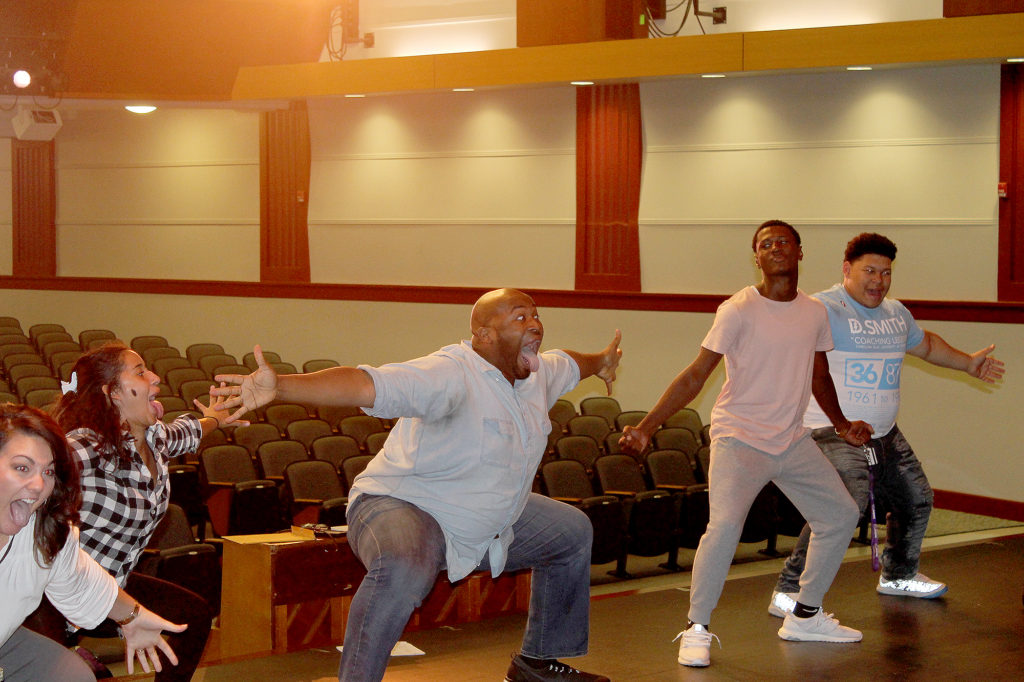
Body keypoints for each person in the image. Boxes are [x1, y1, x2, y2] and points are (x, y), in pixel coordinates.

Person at [212, 288, 621, 682]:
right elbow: (363, 383)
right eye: (520, 317)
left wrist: (602, 360)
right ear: (484, 335)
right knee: (406, 565)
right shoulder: (448, 373)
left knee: (570, 531)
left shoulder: (537, 372)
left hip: (482, 513)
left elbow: (570, 362)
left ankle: (536, 663)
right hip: (403, 504)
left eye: (536, 315)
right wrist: (282, 386)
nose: (535, 325)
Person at [620, 219, 873, 668]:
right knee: (724, 528)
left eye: (783, 241)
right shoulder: (738, 309)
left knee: (839, 515)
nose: (775, 247)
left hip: (791, 440)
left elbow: (818, 375)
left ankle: (805, 616)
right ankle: (697, 627)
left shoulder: (815, 312)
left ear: (799, 252)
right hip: (739, 438)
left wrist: (839, 424)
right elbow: (697, 374)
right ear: (756, 258)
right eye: (765, 244)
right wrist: (648, 426)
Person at [767, 232, 1004, 616]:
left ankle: (898, 575)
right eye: (870, 271)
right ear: (847, 270)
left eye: (886, 273)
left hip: (884, 432)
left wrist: (967, 362)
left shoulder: (896, 313)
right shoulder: (822, 308)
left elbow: (925, 344)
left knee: (917, 497)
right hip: (831, 430)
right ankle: (789, 590)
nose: (878, 281)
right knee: (845, 505)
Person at [43, 341, 234, 681]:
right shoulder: (88, 446)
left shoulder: (153, 439)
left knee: (190, 617)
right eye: (141, 372)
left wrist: (214, 420)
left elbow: (186, 434)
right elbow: (35, 466)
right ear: (113, 392)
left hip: (110, 590)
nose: (156, 378)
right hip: (50, 596)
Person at [0, 403, 186, 681]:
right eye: (22, 467)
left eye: (48, 472)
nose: (39, 485)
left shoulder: (45, 530)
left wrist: (133, 617)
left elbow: (80, 578)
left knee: (75, 677)